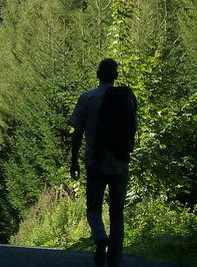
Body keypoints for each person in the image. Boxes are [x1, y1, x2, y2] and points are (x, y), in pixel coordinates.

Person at [69, 58, 138, 267]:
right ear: (116, 75)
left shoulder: (87, 97)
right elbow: (133, 127)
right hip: (120, 161)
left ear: (97, 74)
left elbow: (77, 132)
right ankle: (114, 261)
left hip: (95, 160)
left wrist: (74, 161)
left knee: (93, 207)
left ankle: (99, 235)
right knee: (117, 212)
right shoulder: (127, 98)